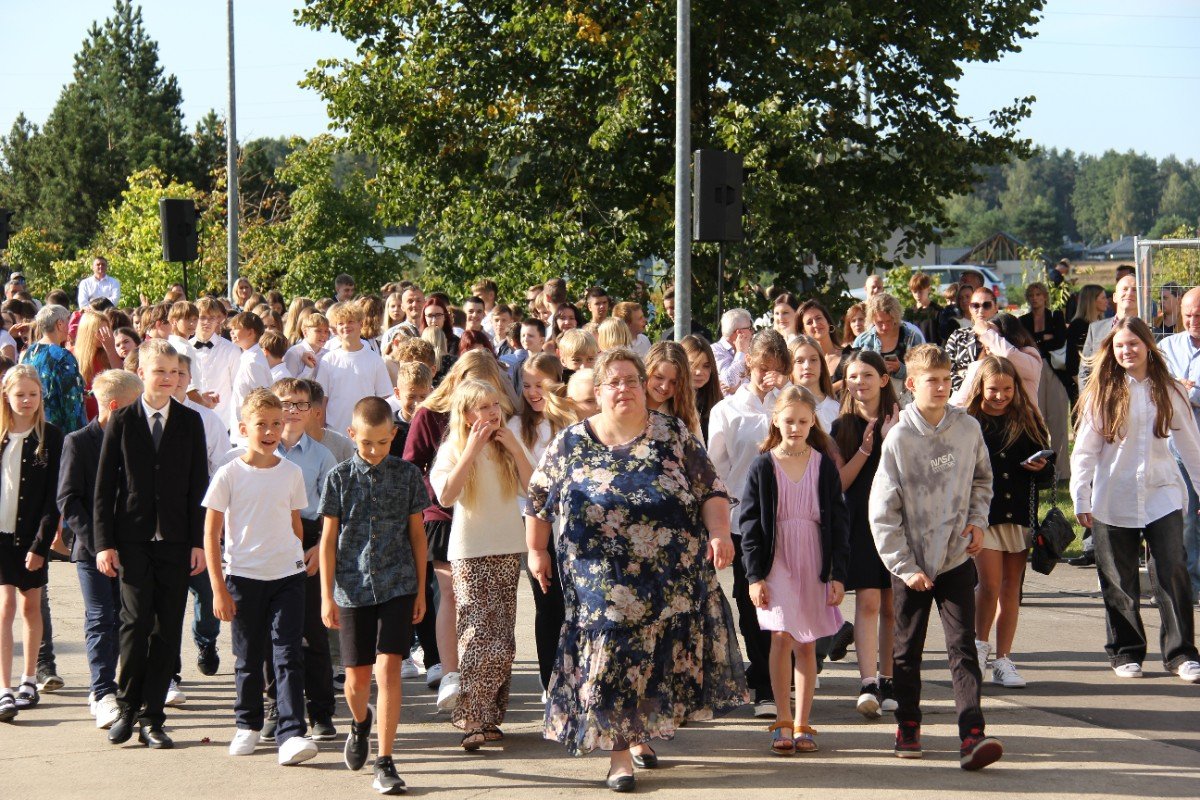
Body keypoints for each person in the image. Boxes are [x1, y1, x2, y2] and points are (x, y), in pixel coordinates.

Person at [526, 348, 747, 791]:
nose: (623, 389)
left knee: (650, 654)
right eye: (614, 382)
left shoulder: (672, 433)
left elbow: (710, 488)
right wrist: (536, 550)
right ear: (598, 391)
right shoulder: (571, 442)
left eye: (631, 380)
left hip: (667, 575)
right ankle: (619, 754)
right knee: (614, 652)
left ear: (644, 387)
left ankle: (638, 730)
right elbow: (537, 499)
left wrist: (720, 532)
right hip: (597, 576)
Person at [869, 344, 1000, 769]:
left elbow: (982, 480)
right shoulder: (899, 438)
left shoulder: (967, 429)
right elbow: (882, 511)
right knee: (907, 652)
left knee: (963, 647)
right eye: (932, 381)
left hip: (956, 558)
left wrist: (977, 522)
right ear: (911, 384)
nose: (941, 387)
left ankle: (972, 734)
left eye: (947, 380)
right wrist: (905, 566)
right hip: (911, 564)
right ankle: (908, 725)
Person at [1070, 318, 1200, 683]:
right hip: (1114, 496)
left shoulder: (1169, 389)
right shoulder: (1102, 392)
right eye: (1119, 346)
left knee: (1172, 569)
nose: (1127, 351)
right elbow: (1085, 451)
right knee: (1118, 577)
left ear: (1147, 345)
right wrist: (1081, 496)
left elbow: (1191, 446)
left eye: (1133, 344)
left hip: (1162, 494)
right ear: (1111, 350)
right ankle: (1126, 651)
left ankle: (1181, 653)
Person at [94, 339, 209, 749]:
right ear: (141, 373)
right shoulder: (123, 420)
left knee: (166, 627)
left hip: (176, 541)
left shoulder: (190, 421)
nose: (168, 378)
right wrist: (104, 543)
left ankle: (153, 717)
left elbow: (198, 485)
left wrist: (198, 542)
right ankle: (126, 707)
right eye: (159, 371)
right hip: (133, 540)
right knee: (135, 621)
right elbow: (105, 487)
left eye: (174, 372)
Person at [202, 389, 319, 766]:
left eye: (276, 424)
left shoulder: (292, 473)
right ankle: (247, 724)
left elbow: (295, 524)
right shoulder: (229, 474)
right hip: (243, 579)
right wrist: (218, 588)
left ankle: (292, 732)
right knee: (248, 657)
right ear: (243, 428)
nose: (269, 432)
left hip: (288, 578)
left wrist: (294, 559)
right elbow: (211, 533)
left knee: (288, 654)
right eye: (261, 425)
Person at [320, 396, 429, 793]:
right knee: (356, 680)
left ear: (393, 435)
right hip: (352, 588)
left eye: (382, 442)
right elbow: (328, 540)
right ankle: (360, 721)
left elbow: (417, 535)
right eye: (366, 442)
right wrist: (326, 596)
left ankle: (385, 760)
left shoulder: (407, 475)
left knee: (388, 670)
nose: (374, 450)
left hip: (398, 583)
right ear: (352, 434)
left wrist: (420, 590)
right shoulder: (338, 478)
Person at [740, 386, 848, 755]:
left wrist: (837, 574)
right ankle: (782, 720)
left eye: (803, 421)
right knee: (781, 636)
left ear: (813, 421)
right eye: (788, 420)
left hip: (814, 559)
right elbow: (750, 525)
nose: (796, 427)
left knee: (807, 642)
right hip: (777, 561)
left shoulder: (823, 465)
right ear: (775, 420)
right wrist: (754, 576)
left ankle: (803, 722)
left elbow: (839, 522)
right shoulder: (763, 466)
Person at [403, 351, 514, 710]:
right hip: (442, 513)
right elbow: (412, 465)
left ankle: (478, 673)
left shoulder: (498, 417)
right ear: (457, 379)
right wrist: (433, 495)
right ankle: (448, 670)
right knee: (449, 593)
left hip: (484, 516)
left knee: (486, 603)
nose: (484, 398)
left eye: (489, 389)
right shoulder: (430, 414)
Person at [430, 380, 533, 749]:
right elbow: (446, 495)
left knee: (503, 639)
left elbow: (535, 489)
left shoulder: (507, 444)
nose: (492, 412)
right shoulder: (452, 448)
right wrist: (471, 450)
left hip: (508, 548)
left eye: (495, 404)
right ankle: (470, 717)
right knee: (476, 633)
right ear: (465, 414)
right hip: (469, 551)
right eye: (483, 406)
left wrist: (515, 448)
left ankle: (489, 717)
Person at [708, 330, 792, 718]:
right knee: (750, 598)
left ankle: (779, 675)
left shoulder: (788, 405)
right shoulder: (727, 410)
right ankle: (764, 684)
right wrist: (718, 525)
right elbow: (716, 470)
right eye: (762, 368)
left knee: (786, 598)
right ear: (749, 365)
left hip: (788, 517)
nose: (768, 376)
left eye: (776, 369)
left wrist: (785, 392)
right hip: (743, 518)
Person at [58, 369, 143, 729]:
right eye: (136, 406)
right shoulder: (79, 441)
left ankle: (119, 686)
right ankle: (102, 691)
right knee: (100, 617)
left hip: (131, 548)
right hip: (92, 551)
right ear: (114, 406)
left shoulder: (137, 441)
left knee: (126, 619)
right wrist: (99, 545)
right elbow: (68, 499)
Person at [962, 356, 1053, 688]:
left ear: (1016, 389)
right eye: (993, 389)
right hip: (982, 516)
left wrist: (1042, 467)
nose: (1000, 396)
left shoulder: (1027, 419)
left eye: (1007, 389)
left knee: (1011, 589)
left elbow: (1048, 473)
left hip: (1019, 516)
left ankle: (1003, 659)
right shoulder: (967, 422)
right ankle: (978, 647)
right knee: (988, 585)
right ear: (980, 388)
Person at [831, 351, 901, 718]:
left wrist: (890, 441)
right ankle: (868, 681)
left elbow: (911, 475)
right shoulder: (841, 426)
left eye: (868, 375)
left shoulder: (902, 421)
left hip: (896, 522)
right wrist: (865, 449)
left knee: (892, 604)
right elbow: (839, 484)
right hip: (858, 522)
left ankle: (889, 679)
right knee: (869, 601)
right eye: (854, 376)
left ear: (884, 380)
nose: (860, 382)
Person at [0, 365, 64, 721]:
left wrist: (41, 546)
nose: (26, 400)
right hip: (0, 535)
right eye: (20, 394)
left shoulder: (50, 437)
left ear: (41, 396)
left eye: (33, 394)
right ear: (6, 396)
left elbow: (53, 499)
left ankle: (29, 679)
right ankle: (4, 687)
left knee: (30, 607)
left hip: (31, 538)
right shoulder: (2, 435)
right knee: (4, 607)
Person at [509, 355, 574, 695]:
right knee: (547, 601)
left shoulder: (571, 420)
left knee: (575, 601)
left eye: (540, 384)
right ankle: (550, 679)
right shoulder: (516, 425)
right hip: (534, 520)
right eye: (527, 385)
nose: (533, 392)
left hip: (572, 520)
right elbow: (530, 484)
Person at [1158, 286, 1200, 605]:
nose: (1192, 321)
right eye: (1187, 315)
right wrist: (1177, 390)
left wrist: (1187, 393)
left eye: (1198, 315)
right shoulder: (1166, 347)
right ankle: (1189, 586)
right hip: (1177, 449)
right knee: (1184, 519)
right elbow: (1157, 386)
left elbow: (1180, 392)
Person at [316, 302, 394, 435]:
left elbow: (384, 398)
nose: (346, 326)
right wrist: (320, 432)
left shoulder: (375, 360)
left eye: (350, 322)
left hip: (366, 433)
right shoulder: (328, 360)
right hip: (334, 432)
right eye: (341, 323)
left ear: (361, 324)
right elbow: (322, 399)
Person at [949, 312, 1042, 407]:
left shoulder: (1028, 355)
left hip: (1022, 415)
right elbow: (958, 403)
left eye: (994, 335)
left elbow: (1008, 355)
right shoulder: (979, 365)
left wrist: (985, 332)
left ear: (1009, 336)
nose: (986, 341)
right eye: (981, 337)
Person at [20, 304, 87, 435]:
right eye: (68, 320)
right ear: (60, 324)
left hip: (35, 426)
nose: (69, 325)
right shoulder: (63, 356)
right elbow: (71, 403)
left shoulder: (30, 352)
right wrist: (80, 435)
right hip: (59, 432)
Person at [1079, 273, 1137, 390]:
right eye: (1125, 289)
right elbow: (1085, 370)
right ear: (1115, 297)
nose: (1130, 293)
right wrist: (1088, 399)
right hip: (1102, 397)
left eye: (1135, 290)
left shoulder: (1150, 331)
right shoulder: (1095, 329)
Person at [191, 297, 240, 428]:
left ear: (218, 320)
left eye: (211, 318)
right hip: (192, 420)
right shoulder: (185, 348)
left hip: (222, 422)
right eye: (202, 317)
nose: (207, 322)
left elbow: (236, 388)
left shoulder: (231, 350)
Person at [944, 287, 1000, 393]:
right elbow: (945, 371)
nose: (980, 310)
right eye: (975, 306)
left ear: (996, 307)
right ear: (970, 308)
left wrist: (963, 372)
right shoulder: (958, 336)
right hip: (961, 397)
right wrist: (969, 388)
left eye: (986, 305)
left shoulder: (1003, 338)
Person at [228, 312, 274, 437]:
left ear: (250, 332)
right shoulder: (249, 357)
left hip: (249, 432)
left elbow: (261, 399)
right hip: (244, 429)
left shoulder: (252, 362)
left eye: (236, 328)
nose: (232, 332)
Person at [644, 341, 701, 437]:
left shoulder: (686, 411)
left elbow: (697, 444)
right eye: (659, 377)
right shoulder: (630, 403)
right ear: (646, 371)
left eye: (674, 382)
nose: (665, 387)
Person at [1064, 284, 1108, 406]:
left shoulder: (1103, 324)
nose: (1107, 301)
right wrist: (1086, 387)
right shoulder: (1078, 326)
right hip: (1083, 387)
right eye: (1103, 298)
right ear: (1092, 301)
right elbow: (1072, 363)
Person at [789, 335, 839, 430]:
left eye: (813, 360)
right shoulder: (781, 408)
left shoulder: (836, 409)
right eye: (799, 361)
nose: (807, 366)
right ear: (790, 367)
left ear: (822, 365)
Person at [681, 335, 722, 441]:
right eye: (693, 365)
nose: (699, 372)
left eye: (706, 366)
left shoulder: (718, 403)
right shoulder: (669, 400)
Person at [711, 308, 754, 395]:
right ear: (739, 333)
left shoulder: (751, 349)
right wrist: (741, 352)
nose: (752, 332)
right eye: (750, 328)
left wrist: (738, 387)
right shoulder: (715, 351)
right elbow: (729, 382)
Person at [906, 272, 943, 345]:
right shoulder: (909, 313)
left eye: (920, 292)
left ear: (929, 289)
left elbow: (943, 338)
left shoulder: (938, 311)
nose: (917, 295)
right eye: (914, 292)